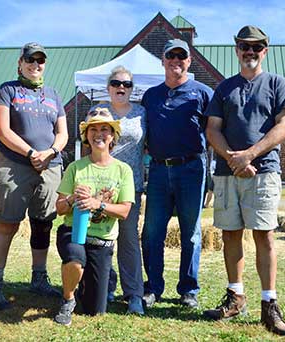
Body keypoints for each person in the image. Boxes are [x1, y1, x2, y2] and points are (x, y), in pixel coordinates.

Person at [203, 26, 285, 337]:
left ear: (264, 51)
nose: (250, 52)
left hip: (264, 171)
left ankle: (269, 304)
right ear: (237, 50)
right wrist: (233, 158)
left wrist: (250, 155)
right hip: (227, 174)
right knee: (230, 234)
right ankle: (235, 295)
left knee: (264, 236)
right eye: (245, 46)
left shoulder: (276, 84)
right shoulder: (224, 88)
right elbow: (212, 129)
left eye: (257, 47)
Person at [0, 42, 68, 309]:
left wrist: (51, 152)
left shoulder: (54, 94)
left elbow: (63, 133)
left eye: (40, 60)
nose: (35, 65)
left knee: (43, 222)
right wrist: (32, 152)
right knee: (7, 223)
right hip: (14, 163)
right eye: (30, 60)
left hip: (50, 164)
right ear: (20, 63)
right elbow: (2, 129)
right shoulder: (8, 90)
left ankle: (39, 278)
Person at [141, 39, 213, 309]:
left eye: (181, 56)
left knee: (191, 233)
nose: (176, 61)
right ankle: (153, 287)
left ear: (189, 61)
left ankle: (188, 289)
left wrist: (213, 177)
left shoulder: (203, 93)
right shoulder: (151, 95)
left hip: (192, 169)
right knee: (151, 233)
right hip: (159, 170)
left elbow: (214, 133)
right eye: (170, 55)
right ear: (162, 60)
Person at [54, 108, 135, 326]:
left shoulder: (123, 170)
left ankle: (95, 279)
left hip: (102, 241)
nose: (99, 133)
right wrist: (72, 198)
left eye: (104, 129)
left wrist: (96, 204)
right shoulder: (75, 167)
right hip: (74, 232)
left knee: (94, 311)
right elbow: (60, 208)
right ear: (86, 136)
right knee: (75, 257)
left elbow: (125, 211)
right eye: (93, 129)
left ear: (113, 137)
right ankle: (68, 299)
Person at [89, 65, 146, 314]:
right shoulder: (98, 111)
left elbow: (150, 145)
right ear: (108, 87)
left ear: (132, 89)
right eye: (116, 83)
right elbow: (86, 146)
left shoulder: (142, 113)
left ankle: (134, 294)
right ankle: (104, 287)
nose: (121, 87)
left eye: (126, 84)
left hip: (130, 186)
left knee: (129, 240)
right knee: (101, 238)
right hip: (100, 185)